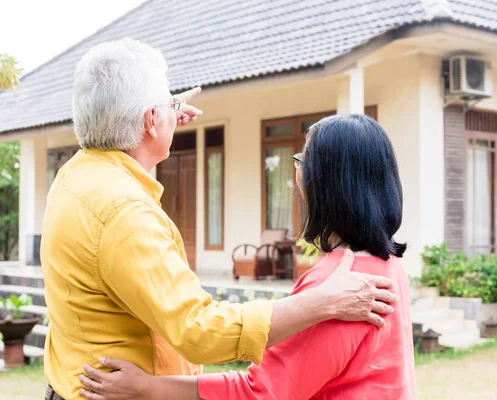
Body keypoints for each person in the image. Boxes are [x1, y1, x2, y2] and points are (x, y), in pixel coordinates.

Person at [41, 39, 398, 400]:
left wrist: (157, 116)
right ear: (151, 120)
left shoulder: (75, 176)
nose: (297, 172)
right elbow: (200, 331)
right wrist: (322, 302)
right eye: (168, 105)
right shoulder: (123, 211)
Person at [78, 114, 417, 400]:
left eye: (302, 160)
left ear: (327, 183)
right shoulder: (386, 263)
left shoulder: (339, 285)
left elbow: (259, 392)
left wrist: (147, 387)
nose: (296, 172)